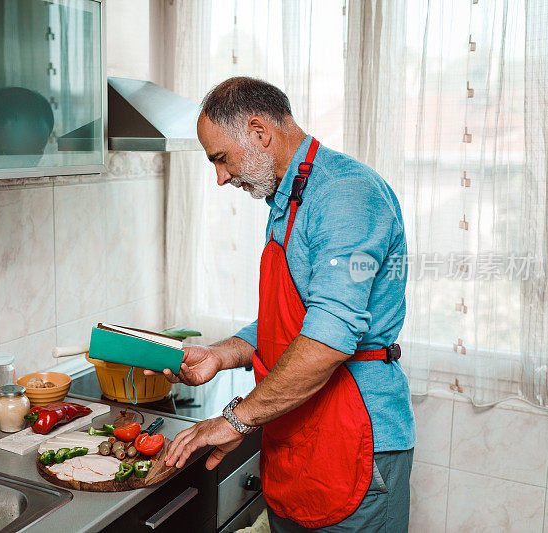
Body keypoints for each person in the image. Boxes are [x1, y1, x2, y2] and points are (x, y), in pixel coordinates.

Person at [150, 77, 416, 532]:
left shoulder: (346, 195)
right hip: (298, 433)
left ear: (258, 132)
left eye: (220, 158)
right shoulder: (290, 196)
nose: (221, 177)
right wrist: (222, 354)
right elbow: (294, 316)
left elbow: (329, 337)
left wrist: (234, 420)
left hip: (353, 438)